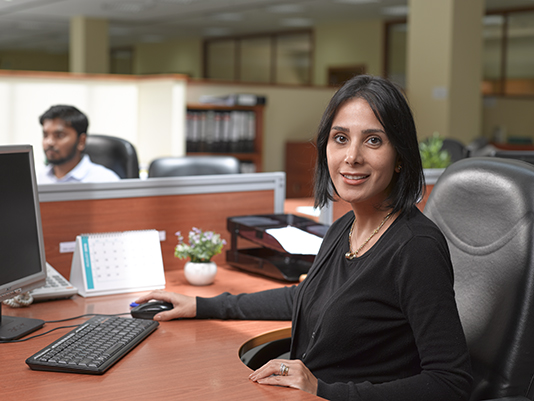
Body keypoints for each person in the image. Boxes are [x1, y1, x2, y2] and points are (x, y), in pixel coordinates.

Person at [135, 75, 473, 400]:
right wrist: (202, 305)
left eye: (373, 140)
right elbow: (306, 296)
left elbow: (450, 382)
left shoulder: (416, 248)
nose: (352, 156)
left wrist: (323, 390)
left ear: (400, 156)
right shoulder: (344, 228)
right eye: (340, 138)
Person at [37, 105, 120, 184]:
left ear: (81, 141)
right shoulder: (37, 178)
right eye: (45, 135)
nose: (49, 142)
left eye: (59, 135)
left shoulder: (106, 180)